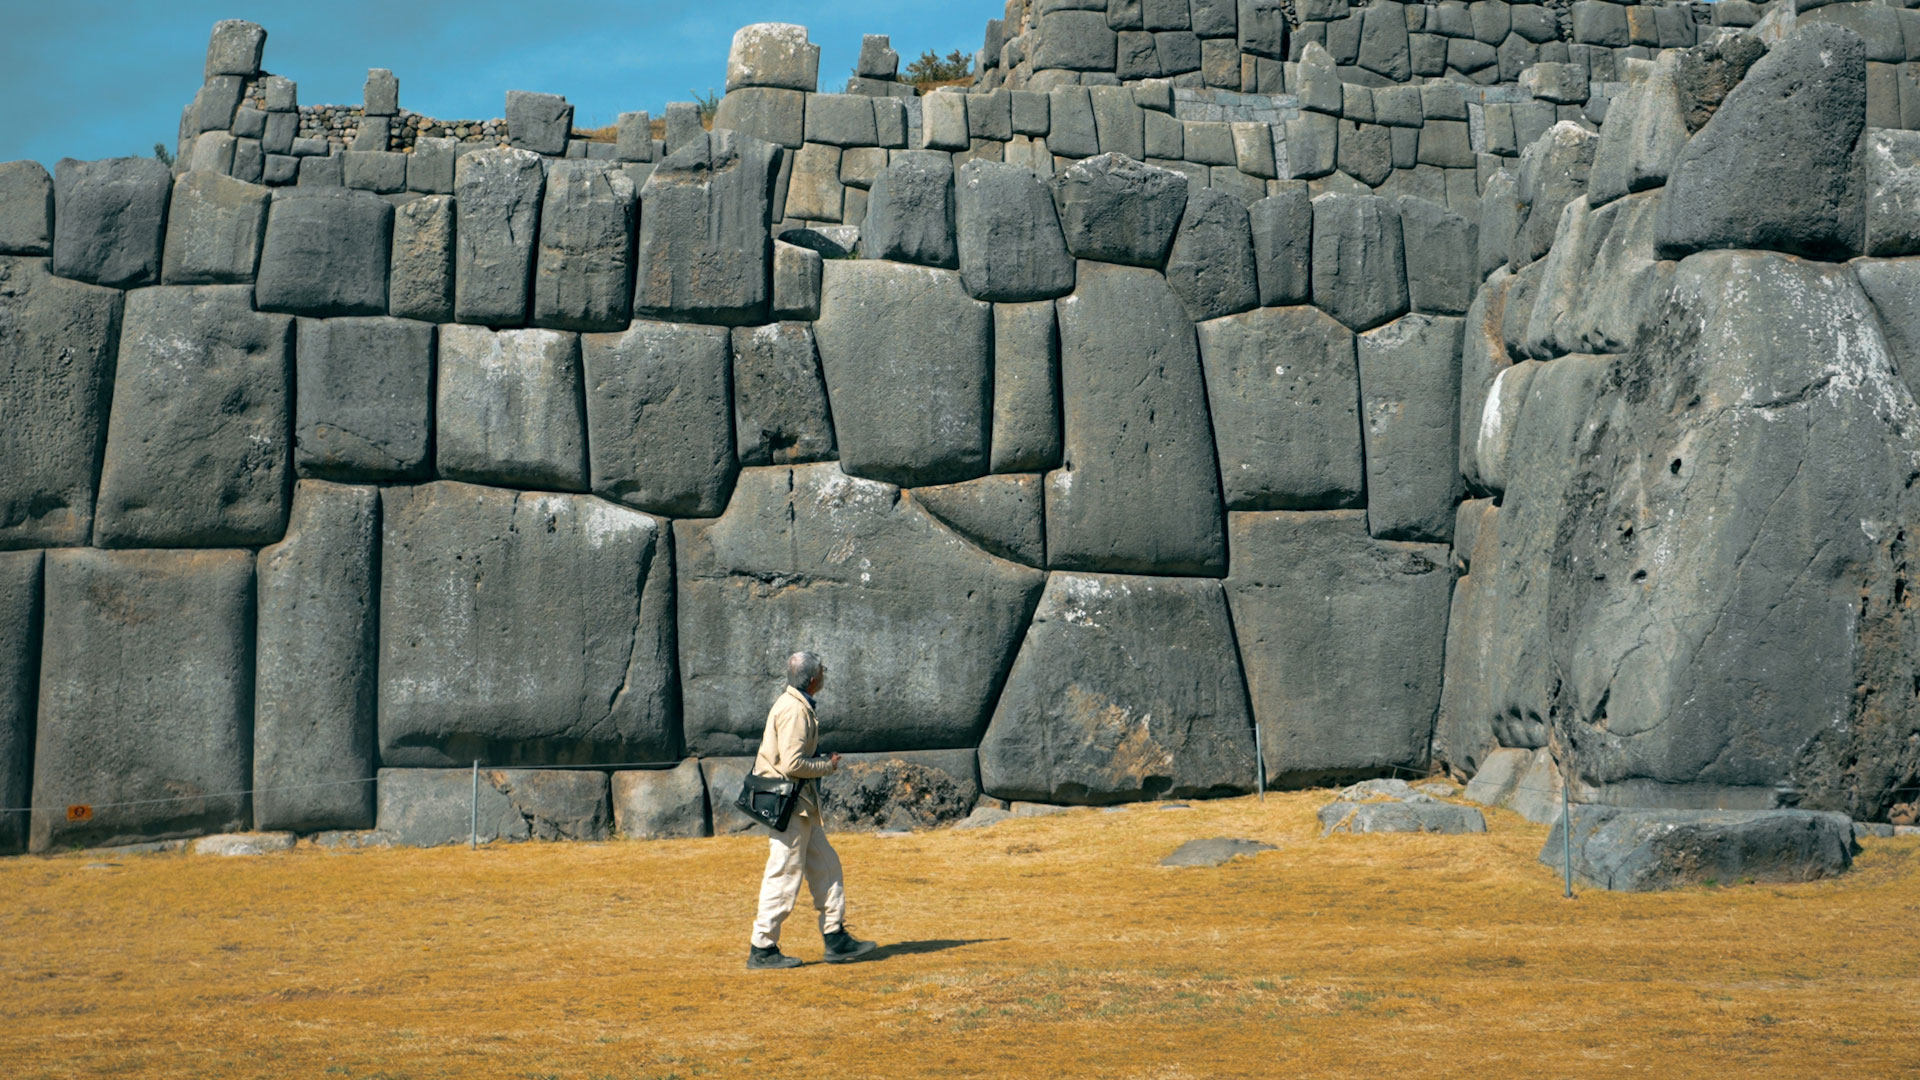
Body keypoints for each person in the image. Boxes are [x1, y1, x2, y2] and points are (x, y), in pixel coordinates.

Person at [746, 650, 877, 970]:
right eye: (824, 670)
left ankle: (836, 937)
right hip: (790, 807)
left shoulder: (795, 704)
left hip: (801, 806)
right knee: (783, 876)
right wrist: (827, 766)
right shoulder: (794, 711)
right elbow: (792, 764)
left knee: (826, 868)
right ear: (814, 679)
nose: (826, 675)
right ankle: (762, 948)